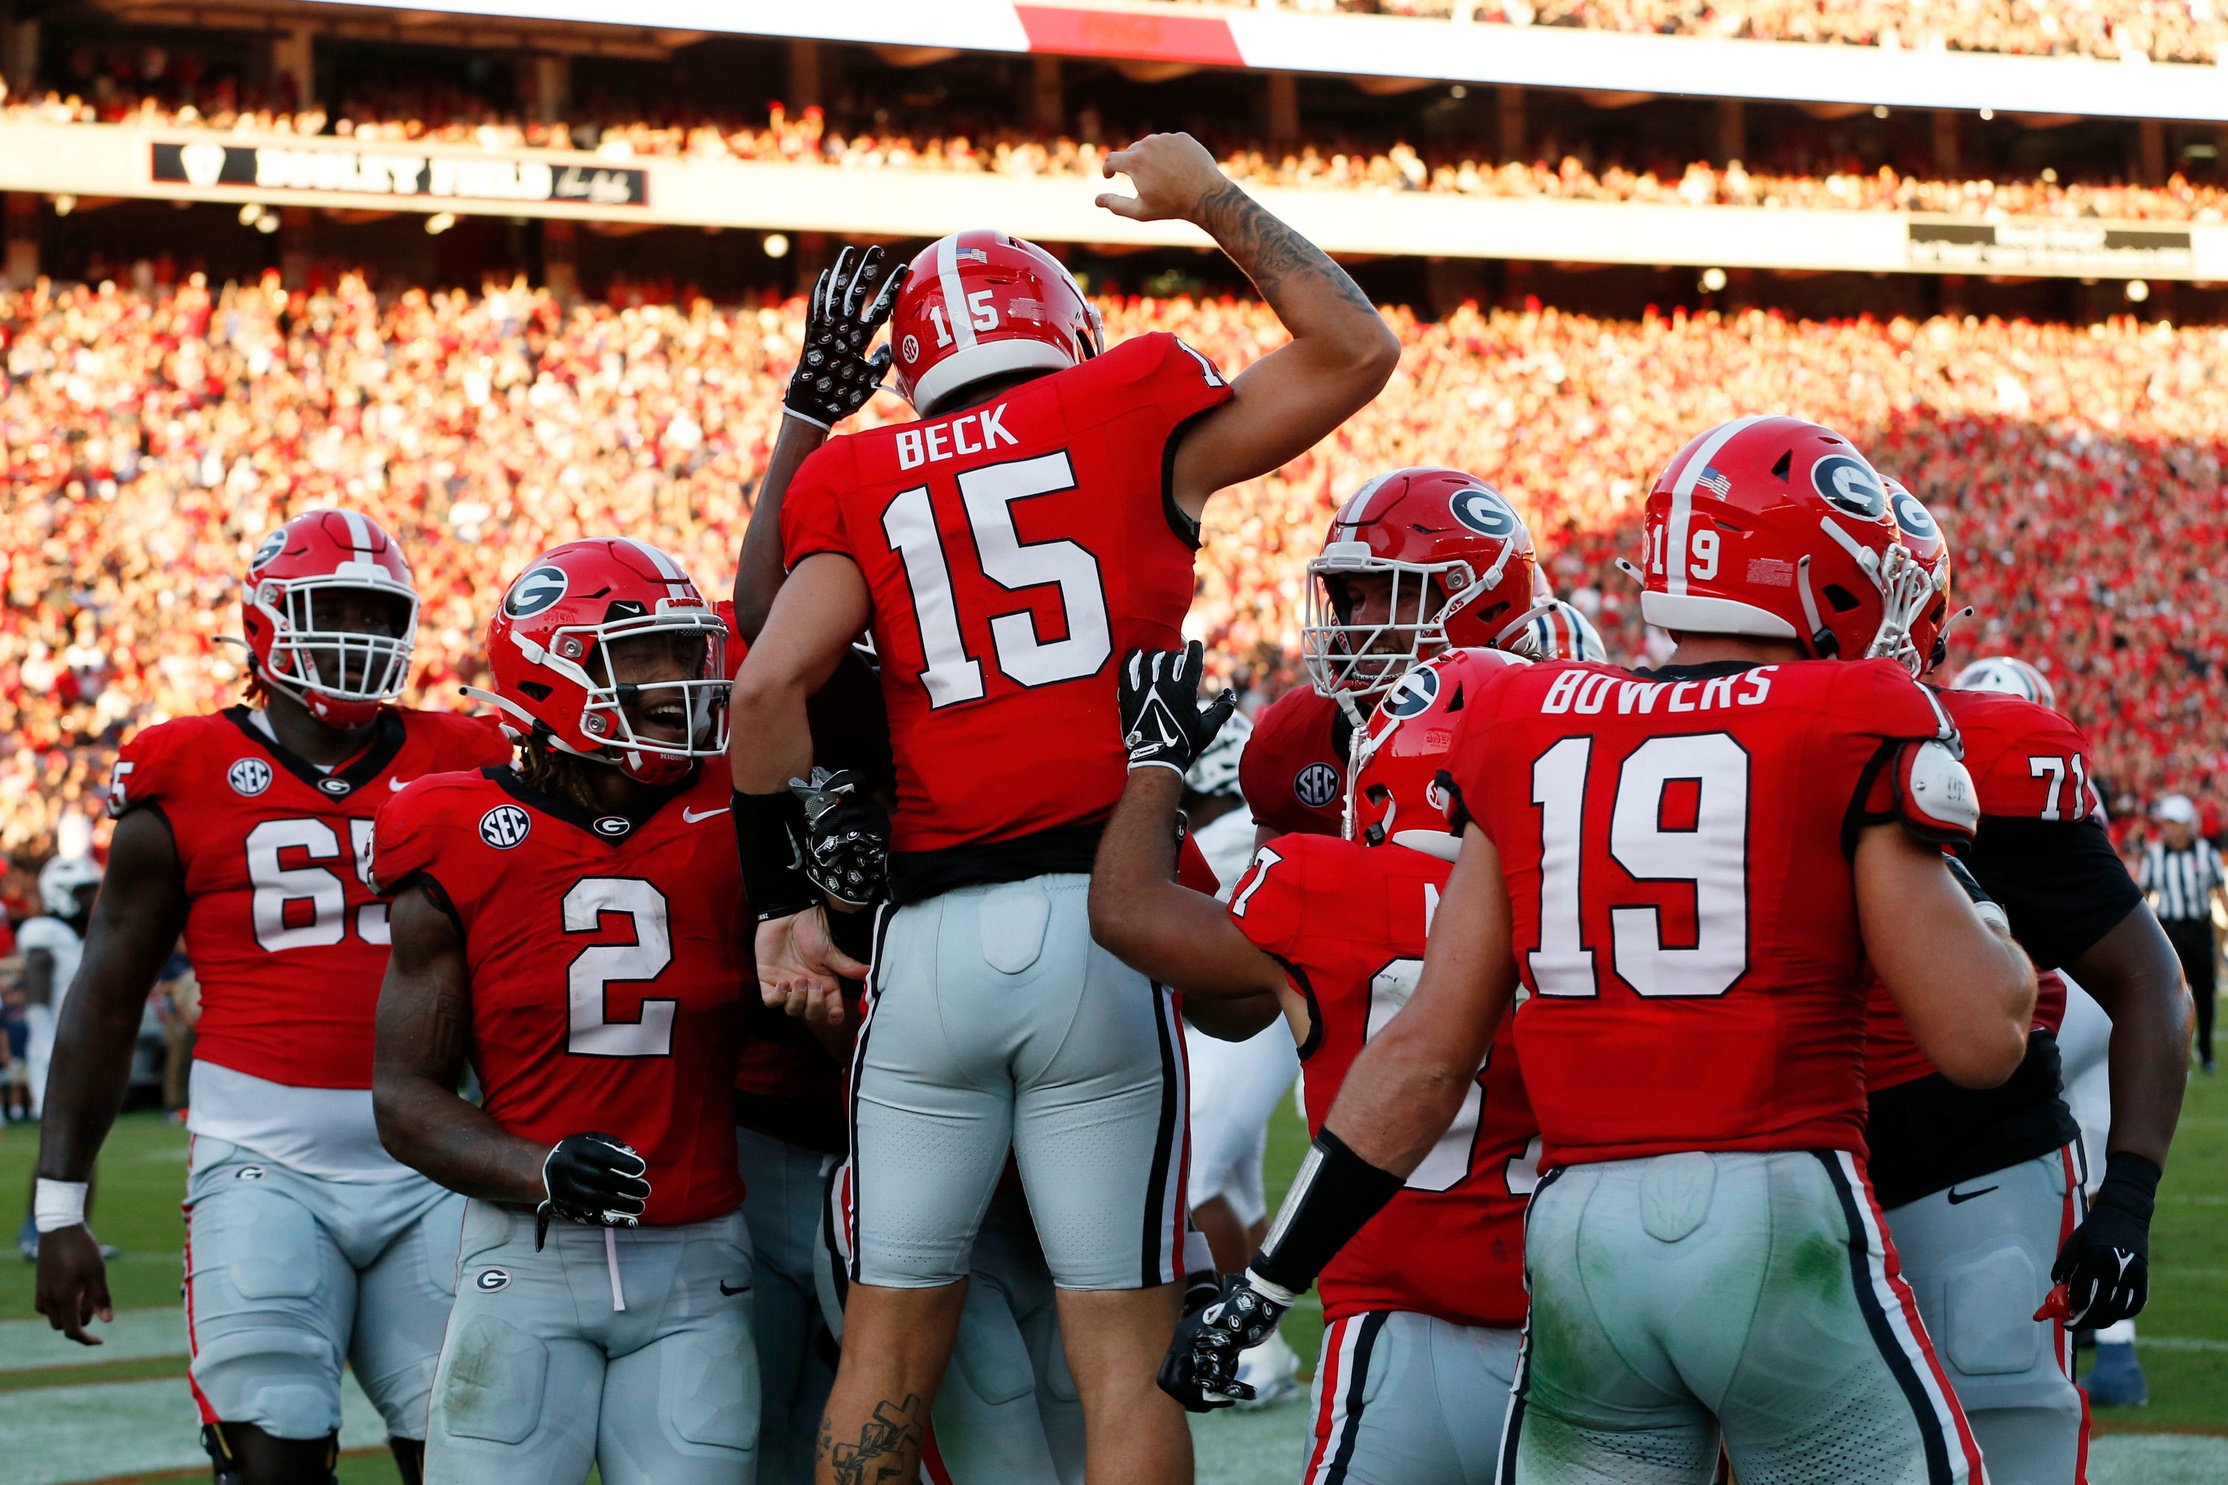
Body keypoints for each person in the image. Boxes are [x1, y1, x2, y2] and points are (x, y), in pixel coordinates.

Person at [1171, 416, 2038, 1483]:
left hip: (1580, 1249)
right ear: (1823, 580)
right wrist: (1978, 915)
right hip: (1772, 1206)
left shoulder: (1524, 719)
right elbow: (1978, 1041)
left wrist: (1264, 1283)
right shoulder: (1848, 710)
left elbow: (1423, 1059)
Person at [729, 130, 1399, 1485]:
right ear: (1068, 330)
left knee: (885, 1348)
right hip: (1099, 925)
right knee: (1121, 1351)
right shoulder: (1133, 403)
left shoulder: (860, 479)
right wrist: (1209, 195)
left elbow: (762, 688)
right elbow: (1356, 348)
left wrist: (784, 908)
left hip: (926, 953)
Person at [32, 509, 511, 1485]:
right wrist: (58, 1207)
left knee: (470, 1458)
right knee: (273, 1456)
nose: (356, 634)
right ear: (262, 621)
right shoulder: (183, 768)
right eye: (328, 607)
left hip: (437, 1165)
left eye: (376, 614)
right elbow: (106, 995)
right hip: (263, 1164)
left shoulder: (469, 753)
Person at [1095, 642, 1541, 1483]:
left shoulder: (1315, 883)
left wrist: (1155, 766)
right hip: (1565, 1325)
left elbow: (1125, 912)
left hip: (1387, 1324)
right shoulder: (1576, 898)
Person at [371, 538, 757, 1485]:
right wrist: (536, 1166)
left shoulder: (741, 808)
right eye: (647, 656)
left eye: (686, 651)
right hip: (527, 1256)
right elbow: (404, 1096)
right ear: (550, 674)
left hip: (702, 1257)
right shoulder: (453, 824)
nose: (682, 681)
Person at [1863, 489, 2189, 1475]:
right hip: (1779, 1166)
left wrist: (2125, 1198)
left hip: (1963, 1163)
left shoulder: (1993, 758)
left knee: (2001, 1427)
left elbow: (2145, 978)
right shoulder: (1683, 744)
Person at [1247, 468, 1602, 847]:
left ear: (1480, 605)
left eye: (1396, 595)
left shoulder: (1549, 731)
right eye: (1355, 597)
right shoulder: (1295, 737)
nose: (1363, 620)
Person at [1170, 708, 1306, 1407]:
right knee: (1238, 1189)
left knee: (1195, 1178)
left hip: (1251, 1025)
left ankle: (1244, 1353)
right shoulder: (1233, 832)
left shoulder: (1222, 837)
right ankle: (1270, 1354)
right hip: (1265, 1023)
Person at [16, 853, 103, 1258]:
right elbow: (36, 990)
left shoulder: (80, 934)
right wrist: (48, 1044)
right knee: (60, 1146)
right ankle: (36, 1231)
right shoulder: (45, 932)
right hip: (55, 1051)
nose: (92, 899)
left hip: (79, 1051)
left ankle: (76, 1231)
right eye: (84, 892)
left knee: (86, 1146)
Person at [2138, 793, 2222, 1074]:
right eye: (2168, 822)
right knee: (2172, 995)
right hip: (2169, 929)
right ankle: (2177, 1056)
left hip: (2198, 928)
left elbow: (2219, 892)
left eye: (2176, 822)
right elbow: (2143, 896)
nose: (2171, 828)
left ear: (2188, 824)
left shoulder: (2205, 853)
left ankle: (2206, 1052)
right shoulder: (2155, 855)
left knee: (2205, 991)